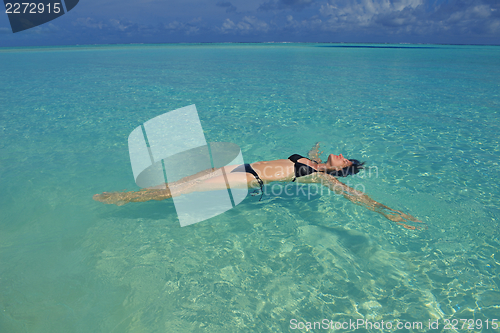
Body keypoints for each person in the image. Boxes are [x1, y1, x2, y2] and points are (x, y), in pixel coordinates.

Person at [93, 143, 424, 229]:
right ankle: (138, 195)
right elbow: (309, 155)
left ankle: (125, 199)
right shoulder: (315, 163)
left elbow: (356, 196)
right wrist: (318, 150)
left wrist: (387, 212)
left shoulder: (322, 176)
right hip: (241, 167)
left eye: (343, 157)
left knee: (187, 189)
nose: (340, 153)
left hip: (248, 179)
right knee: (179, 182)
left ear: (342, 169)